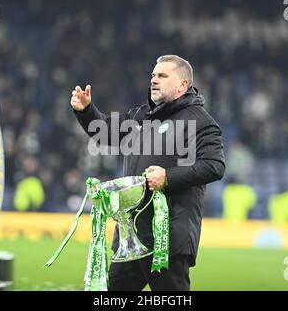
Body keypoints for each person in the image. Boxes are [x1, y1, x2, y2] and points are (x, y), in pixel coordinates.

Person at [70, 55, 225, 291]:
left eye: (162, 76)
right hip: (130, 236)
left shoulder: (200, 121)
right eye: (153, 75)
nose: (154, 80)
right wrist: (86, 111)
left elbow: (214, 165)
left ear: (183, 85)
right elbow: (106, 132)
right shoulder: (142, 115)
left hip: (167, 239)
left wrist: (168, 177)